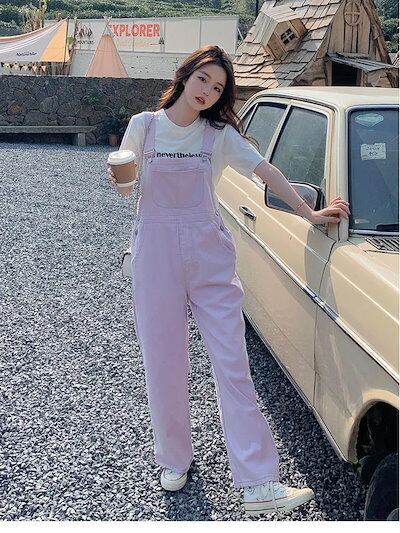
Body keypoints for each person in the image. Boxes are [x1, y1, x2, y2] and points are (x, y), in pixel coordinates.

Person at [107, 45, 350, 516]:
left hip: (209, 257)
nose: (208, 92)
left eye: (218, 88)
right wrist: (118, 178)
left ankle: (258, 482)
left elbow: (266, 171)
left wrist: (309, 213)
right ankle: (173, 460)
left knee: (232, 362)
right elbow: (126, 186)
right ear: (185, 76)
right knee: (163, 362)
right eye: (203, 79)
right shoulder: (144, 126)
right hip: (154, 257)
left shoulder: (217, 135)